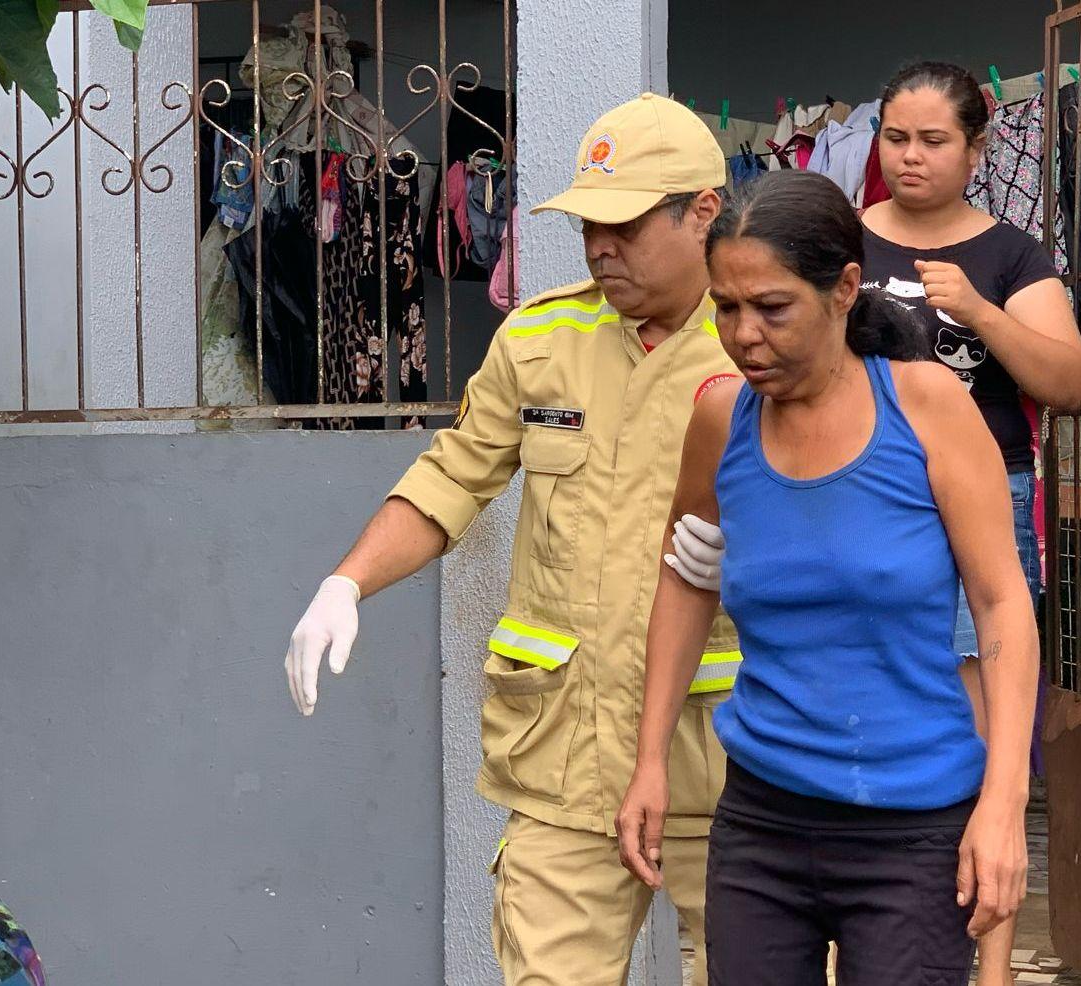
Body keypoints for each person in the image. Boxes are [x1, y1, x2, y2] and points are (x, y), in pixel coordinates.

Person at [282, 94, 743, 986]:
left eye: (626, 223)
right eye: (587, 226)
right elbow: (455, 475)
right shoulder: (542, 337)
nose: (600, 246)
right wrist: (346, 583)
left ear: (703, 211)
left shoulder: (761, 336)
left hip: (727, 768)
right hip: (566, 763)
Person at [667, 63, 1081, 986]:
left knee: (969, 685)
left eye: (932, 139)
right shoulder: (736, 392)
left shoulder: (1002, 266)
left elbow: (1004, 601)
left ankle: (991, 951)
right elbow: (688, 569)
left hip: (960, 500)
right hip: (767, 812)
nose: (744, 334)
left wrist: (1003, 808)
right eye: (895, 136)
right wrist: (649, 759)